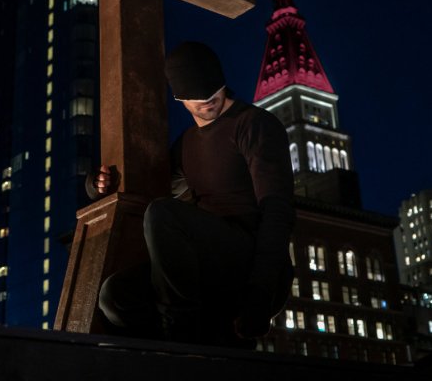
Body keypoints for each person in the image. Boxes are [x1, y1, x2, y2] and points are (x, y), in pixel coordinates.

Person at [90, 41, 295, 345]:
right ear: (179, 98)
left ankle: (181, 338)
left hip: (248, 258)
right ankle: (197, 338)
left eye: (214, 95)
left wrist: (260, 298)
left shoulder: (253, 125)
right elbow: (147, 192)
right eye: (198, 100)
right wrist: (97, 185)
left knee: (164, 213)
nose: (209, 103)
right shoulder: (186, 145)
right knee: (115, 296)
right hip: (205, 265)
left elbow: (277, 211)